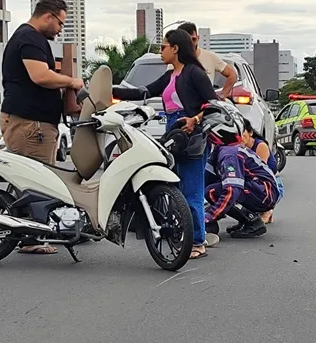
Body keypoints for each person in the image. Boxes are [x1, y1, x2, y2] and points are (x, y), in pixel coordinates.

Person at [112, 29, 218, 260]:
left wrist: (195, 119)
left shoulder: (194, 73)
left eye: (163, 47)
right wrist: (106, 90)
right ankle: (186, 236)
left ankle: (198, 241)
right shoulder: (172, 75)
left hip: (192, 136)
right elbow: (143, 92)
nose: (161, 51)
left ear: (176, 48)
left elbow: (213, 105)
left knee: (192, 190)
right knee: (175, 188)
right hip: (173, 134)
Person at [0, 0, 84, 255]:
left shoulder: (29, 38)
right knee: (36, 181)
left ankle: (32, 233)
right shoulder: (31, 38)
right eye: (60, 23)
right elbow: (40, 75)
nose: (60, 29)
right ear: (47, 17)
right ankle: (31, 238)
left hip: (31, 121)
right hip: (31, 124)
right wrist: (71, 81)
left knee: (34, 180)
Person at [202, 101, 280, 238]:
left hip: (265, 192)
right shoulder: (223, 149)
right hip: (259, 188)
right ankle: (246, 219)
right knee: (211, 189)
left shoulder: (229, 153)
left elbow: (232, 189)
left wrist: (209, 217)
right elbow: (207, 177)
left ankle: (252, 221)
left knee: (214, 191)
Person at [176, 22, 238, 99]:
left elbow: (232, 74)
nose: (191, 43)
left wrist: (222, 95)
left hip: (205, 107)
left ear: (198, 38)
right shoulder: (174, 60)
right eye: (187, 40)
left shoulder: (210, 57)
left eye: (193, 39)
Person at [241, 119, 282, 223]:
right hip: (256, 183)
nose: (239, 137)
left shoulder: (260, 146)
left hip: (272, 186)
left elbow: (260, 173)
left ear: (250, 132)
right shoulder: (241, 149)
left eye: (242, 132)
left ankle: (267, 209)